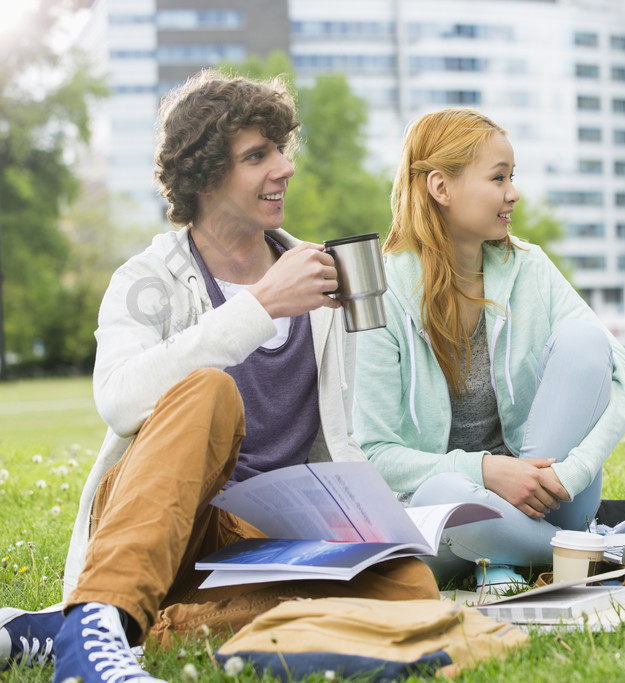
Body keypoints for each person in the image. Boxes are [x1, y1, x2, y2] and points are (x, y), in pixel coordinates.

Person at [0, 70, 437, 681]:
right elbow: (120, 401)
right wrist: (259, 308)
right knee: (208, 389)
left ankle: (116, 626)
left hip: (266, 538)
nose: (283, 167)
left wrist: (374, 523)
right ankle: (94, 636)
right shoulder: (146, 280)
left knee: (410, 591)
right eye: (257, 155)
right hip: (159, 517)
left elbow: (333, 439)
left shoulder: (315, 273)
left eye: (282, 148)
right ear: (205, 175)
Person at [353, 108, 625, 588]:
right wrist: (486, 470)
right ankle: (591, 553)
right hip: (448, 512)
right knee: (442, 494)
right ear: (440, 187)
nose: (513, 193)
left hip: (548, 494)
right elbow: (375, 452)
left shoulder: (529, 266)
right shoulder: (381, 293)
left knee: (583, 340)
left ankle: (519, 554)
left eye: (512, 177)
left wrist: (574, 472)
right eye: (498, 178)